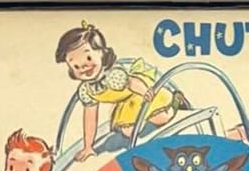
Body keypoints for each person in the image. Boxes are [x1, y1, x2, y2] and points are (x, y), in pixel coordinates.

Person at [54, 21, 186, 159]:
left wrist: (146, 92)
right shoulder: (86, 90)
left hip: (140, 92)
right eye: (76, 66)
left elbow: (132, 83)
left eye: (88, 58)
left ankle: (176, 100)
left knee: (163, 117)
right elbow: (90, 117)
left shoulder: (113, 76)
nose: (84, 67)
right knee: (128, 131)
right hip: (127, 104)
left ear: (101, 53)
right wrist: (88, 147)